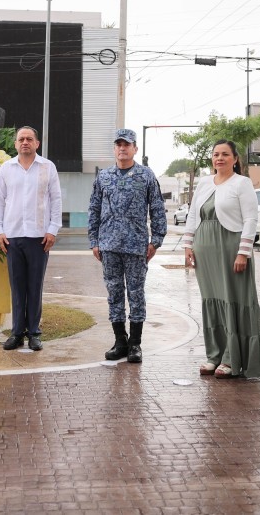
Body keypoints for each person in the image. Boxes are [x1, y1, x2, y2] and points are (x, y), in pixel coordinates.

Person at [183, 140, 260, 379]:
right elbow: (192, 214)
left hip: (231, 247)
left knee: (232, 300)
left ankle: (232, 358)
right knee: (211, 300)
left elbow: (251, 219)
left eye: (225, 154)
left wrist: (243, 252)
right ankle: (214, 355)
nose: (219, 158)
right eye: (216, 154)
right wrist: (188, 245)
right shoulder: (204, 182)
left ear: (235, 158)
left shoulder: (242, 183)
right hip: (205, 249)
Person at [88, 129, 166, 364]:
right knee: (114, 293)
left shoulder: (146, 176)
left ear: (135, 149)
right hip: (109, 245)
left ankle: (135, 344)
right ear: (114, 149)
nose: (122, 148)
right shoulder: (104, 177)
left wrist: (156, 240)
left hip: (136, 247)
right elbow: (94, 209)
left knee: (136, 294)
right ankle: (120, 341)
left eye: (127, 144)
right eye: (119, 144)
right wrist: (94, 240)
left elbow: (157, 208)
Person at [0, 126, 62, 351]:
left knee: (35, 286)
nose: (25, 142)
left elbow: (56, 200)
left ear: (36, 144)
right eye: (21, 139)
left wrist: (53, 229)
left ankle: (34, 333)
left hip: (39, 237)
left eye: (29, 139)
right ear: (15, 144)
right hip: (12, 236)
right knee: (17, 286)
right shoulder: (6, 169)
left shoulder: (47, 167)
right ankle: (16, 333)